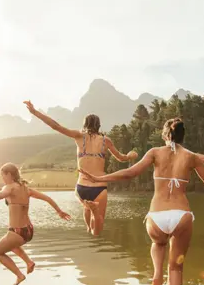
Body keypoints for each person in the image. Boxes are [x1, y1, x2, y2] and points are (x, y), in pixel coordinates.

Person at [80, 119, 204, 285]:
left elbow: (130, 173)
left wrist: (100, 178)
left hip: (157, 216)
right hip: (181, 215)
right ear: (182, 136)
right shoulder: (192, 157)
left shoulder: (155, 152)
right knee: (177, 267)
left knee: (158, 243)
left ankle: (157, 272)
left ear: (164, 135)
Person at [23, 100, 138, 236]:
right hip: (99, 187)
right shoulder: (106, 141)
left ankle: (89, 214)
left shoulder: (79, 136)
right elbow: (121, 158)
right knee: (97, 231)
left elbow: (56, 126)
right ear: (99, 126)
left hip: (81, 186)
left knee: (87, 219)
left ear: (85, 125)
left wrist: (34, 112)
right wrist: (130, 155)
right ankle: (94, 211)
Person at [0, 163, 71, 285]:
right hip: (29, 231)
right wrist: (59, 211)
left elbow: (1, 195)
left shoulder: (9, 187)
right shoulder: (26, 189)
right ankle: (29, 262)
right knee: (10, 244)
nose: (2, 178)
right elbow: (47, 198)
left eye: (2, 175)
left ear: (9, 174)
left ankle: (19, 275)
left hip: (17, 231)